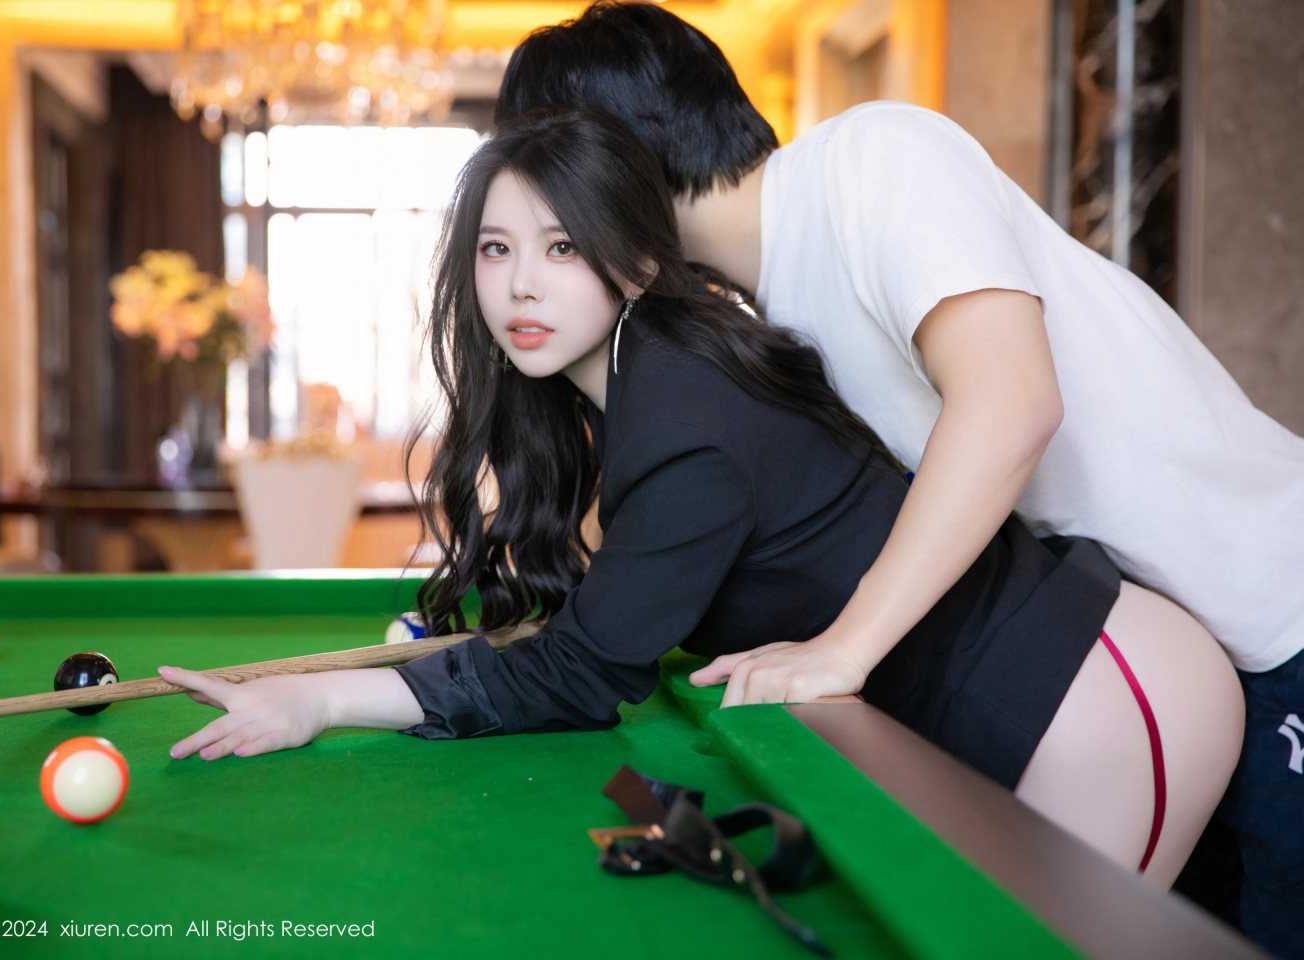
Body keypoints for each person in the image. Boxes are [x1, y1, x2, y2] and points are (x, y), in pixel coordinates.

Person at [162, 110, 1242, 888]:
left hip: (1104, 702)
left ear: (637, 259)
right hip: (1068, 689)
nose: (522, 282)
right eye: (496, 249)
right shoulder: (643, 377)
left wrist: (322, 702)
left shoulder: (680, 409)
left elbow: (587, 669)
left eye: (562, 246)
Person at [493, 2, 1304, 948]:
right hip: (1159, 656)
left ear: (608, 158)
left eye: (545, 174)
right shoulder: (748, 307)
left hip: (1273, 615)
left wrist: (846, 647)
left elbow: (1011, 404)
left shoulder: (875, 157)